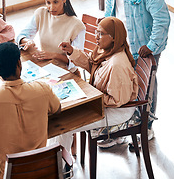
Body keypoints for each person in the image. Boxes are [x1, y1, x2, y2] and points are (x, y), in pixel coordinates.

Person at [0, 42, 61, 179]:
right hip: (42, 171)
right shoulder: (42, 89)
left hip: (8, 174)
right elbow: (57, 109)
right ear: (19, 64)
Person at [104, 0, 171, 144]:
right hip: (121, 44)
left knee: (146, 86)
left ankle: (146, 127)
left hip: (143, 46)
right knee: (123, 85)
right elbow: (111, 10)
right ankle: (122, 129)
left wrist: (151, 46)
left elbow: (162, 18)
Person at [55, 16, 138, 151]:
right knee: (60, 118)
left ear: (113, 37)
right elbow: (91, 65)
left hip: (116, 111)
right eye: (96, 32)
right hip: (101, 103)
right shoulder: (107, 51)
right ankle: (57, 162)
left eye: (101, 33)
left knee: (63, 126)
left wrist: (88, 95)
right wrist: (71, 51)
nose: (96, 37)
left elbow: (117, 100)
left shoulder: (117, 65)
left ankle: (61, 166)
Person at [17, 0, 85, 73]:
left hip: (67, 72)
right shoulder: (41, 13)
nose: (51, 7)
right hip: (47, 67)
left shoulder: (77, 25)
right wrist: (28, 41)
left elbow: (77, 61)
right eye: (48, 2)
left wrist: (54, 55)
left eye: (55, 2)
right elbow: (21, 36)